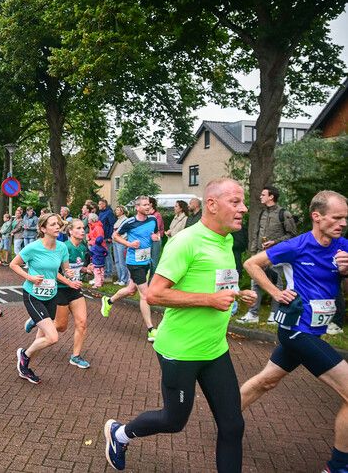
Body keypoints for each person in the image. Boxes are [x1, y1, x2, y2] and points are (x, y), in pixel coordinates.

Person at [104, 178, 256, 472]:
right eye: (235, 202)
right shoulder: (186, 241)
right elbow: (156, 293)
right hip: (181, 350)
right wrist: (209, 300)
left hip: (214, 349)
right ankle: (119, 434)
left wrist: (238, 295)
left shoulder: (225, 240)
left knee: (233, 425)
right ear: (211, 205)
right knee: (174, 421)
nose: (243, 208)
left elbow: (213, 283)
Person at [239, 190, 348, 473]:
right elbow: (251, 264)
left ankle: (226, 417)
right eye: (336, 218)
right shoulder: (297, 245)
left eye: (345, 218)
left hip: (315, 331)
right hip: (296, 330)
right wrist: (276, 291)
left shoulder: (344, 247)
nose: (342, 223)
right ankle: (338, 467)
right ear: (317, 217)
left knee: (266, 382)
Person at [11, 213, 76, 384]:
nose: (57, 227)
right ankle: (24, 355)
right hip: (33, 295)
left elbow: (62, 271)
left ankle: (24, 369)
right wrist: (30, 278)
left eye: (58, 224)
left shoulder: (62, 247)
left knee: (41, 339)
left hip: (51, 295)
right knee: (53, 337)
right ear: (42, 229)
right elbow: (13, 264)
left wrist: (69, 275)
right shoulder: (33, 247)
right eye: (53, 224)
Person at [26, 218, 93, 369]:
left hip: (75, 289)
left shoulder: (82, 247)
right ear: (70, 231)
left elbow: (74, 268)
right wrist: (69, 281)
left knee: (82, 323)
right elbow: (54, 272)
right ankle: (37, 321)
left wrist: (85, 270)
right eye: (78, 228)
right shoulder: (64, 247)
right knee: (61, 327)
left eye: (83, 228)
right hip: (60, 290)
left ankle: (75, 356)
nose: (82, 231)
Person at [100, 196, 159, 342]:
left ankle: (108, 301)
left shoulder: (153, 220)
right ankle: (151, 330)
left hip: (146, 261)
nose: (148, 206)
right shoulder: (130, 222)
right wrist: (129, 244)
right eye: (144, 205)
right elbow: (115, 236)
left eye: (149, 204)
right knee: (145, 295)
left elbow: (155, 234)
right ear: (137, 207)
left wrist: (155, 238)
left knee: (130, 290)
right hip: (134, 262)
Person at [238, 185, 298, 324]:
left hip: (276, 255)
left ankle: (275, 315)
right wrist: (253, 252)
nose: (260, 197)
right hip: (259, 254)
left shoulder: (284, 213)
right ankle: (253, 314)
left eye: (263, 194)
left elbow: (292, 235)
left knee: (276, 284)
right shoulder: (262, 213)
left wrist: (274, 242)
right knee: (256, 282)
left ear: (271, 197)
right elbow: (256, 234)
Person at [98, 199, 116, 281]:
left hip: (107, 238)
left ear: (104, 204)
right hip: (101, 237)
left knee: (108, 256)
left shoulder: (109, 213)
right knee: (104, 256)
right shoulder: (101, 213)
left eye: (100, 204)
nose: (99, 206)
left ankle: (109, 274)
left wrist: (110, 237)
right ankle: (105, 273)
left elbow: (112, 225)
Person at [112, 206, 130, 286]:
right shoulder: (118, 220)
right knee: (117, 261)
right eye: (116, 210)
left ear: (122, 211)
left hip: (120, 242)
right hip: (115, 241)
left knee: (122, 261)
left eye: (118, 210)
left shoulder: (125, 220)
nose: (116, 211)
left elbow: (126, 232)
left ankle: (124, 279)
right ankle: (120, 278)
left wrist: (121, 239)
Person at [148, 197, 165, 283]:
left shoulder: (157, 215)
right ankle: (149, 280)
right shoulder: (147, 214)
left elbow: (155, 228)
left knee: (154, 261)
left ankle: (153, 281)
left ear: (151, 204)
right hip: (149, 240)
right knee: (149, 261)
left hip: (156, 240)